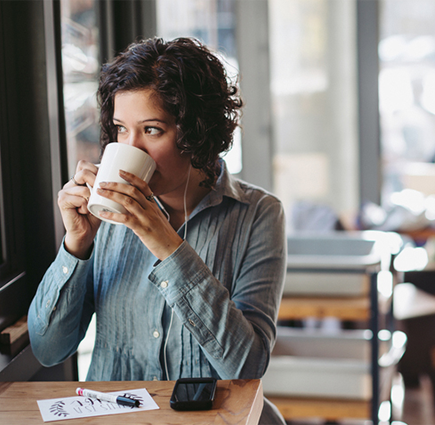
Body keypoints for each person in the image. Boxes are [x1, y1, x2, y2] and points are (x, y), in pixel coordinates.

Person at [27, 38, 287, 424]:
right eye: (120, 129)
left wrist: (168, 246)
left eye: (151, 130)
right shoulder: (102, 218)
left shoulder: (258, 214)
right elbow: (48, 350)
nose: (131, 149)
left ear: (198, 132)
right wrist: (76, 245)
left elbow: (246, 365)